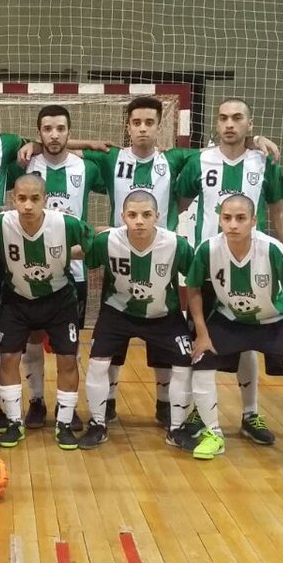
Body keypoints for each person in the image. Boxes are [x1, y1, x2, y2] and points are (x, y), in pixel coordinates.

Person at [173, 97, 283, 447]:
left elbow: (279, 212)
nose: (230, 124)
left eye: (237, 118)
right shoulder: (199, 161)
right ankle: (200, 410)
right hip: (208, 266)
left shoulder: (263, 160)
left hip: (253, 264)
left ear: (249, 124)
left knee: (247, 344)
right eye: (224, 118)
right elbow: (179, 205)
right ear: (216, 123)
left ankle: (249, 414)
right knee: (203, 342)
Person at [186, 194, 283, 469]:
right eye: (227, 218)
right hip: (230, 319)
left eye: (240, 218)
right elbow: (194, 289)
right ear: (219, 219)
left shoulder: (272, 249)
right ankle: (213, 433)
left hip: (274, 320)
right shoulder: (208, 249)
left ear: (254, 221)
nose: (233, 224)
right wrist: (203, 333)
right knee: (201, 362)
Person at [80, 190, 195, 451]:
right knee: (97, 363)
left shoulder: (176, 244)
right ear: (122, 217)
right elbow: (83, 256)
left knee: (184, 366)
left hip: (164, 314)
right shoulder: (107, 241)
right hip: (117, 312)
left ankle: (176, 427)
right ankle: (98, 423)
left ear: (158, 216)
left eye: (146, 215)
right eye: (132, 215)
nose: (139, 221)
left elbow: (197, 278)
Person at [0, 174, 90, 449]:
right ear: (12, 200)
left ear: (46, 200)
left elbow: (96, 247)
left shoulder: (66, 224)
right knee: (8, 358)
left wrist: (68, 253)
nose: (28, 205)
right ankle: (15, 422)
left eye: (35, 199)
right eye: (21, 198)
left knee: (67, 360)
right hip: (17, 299)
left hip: (59, 299)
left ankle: (64, 423)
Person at [17, 104, 101, 430]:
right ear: (38, 133)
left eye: (61, 129)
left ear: (70, 132)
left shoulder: (87, 168)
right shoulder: (25, 164)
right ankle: (36, 401)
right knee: (33, 340)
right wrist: (31, 147)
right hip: (29, 269)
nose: (54, 135)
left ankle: (69, 405)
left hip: (73, 273)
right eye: (47, 129)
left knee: (70, 344)